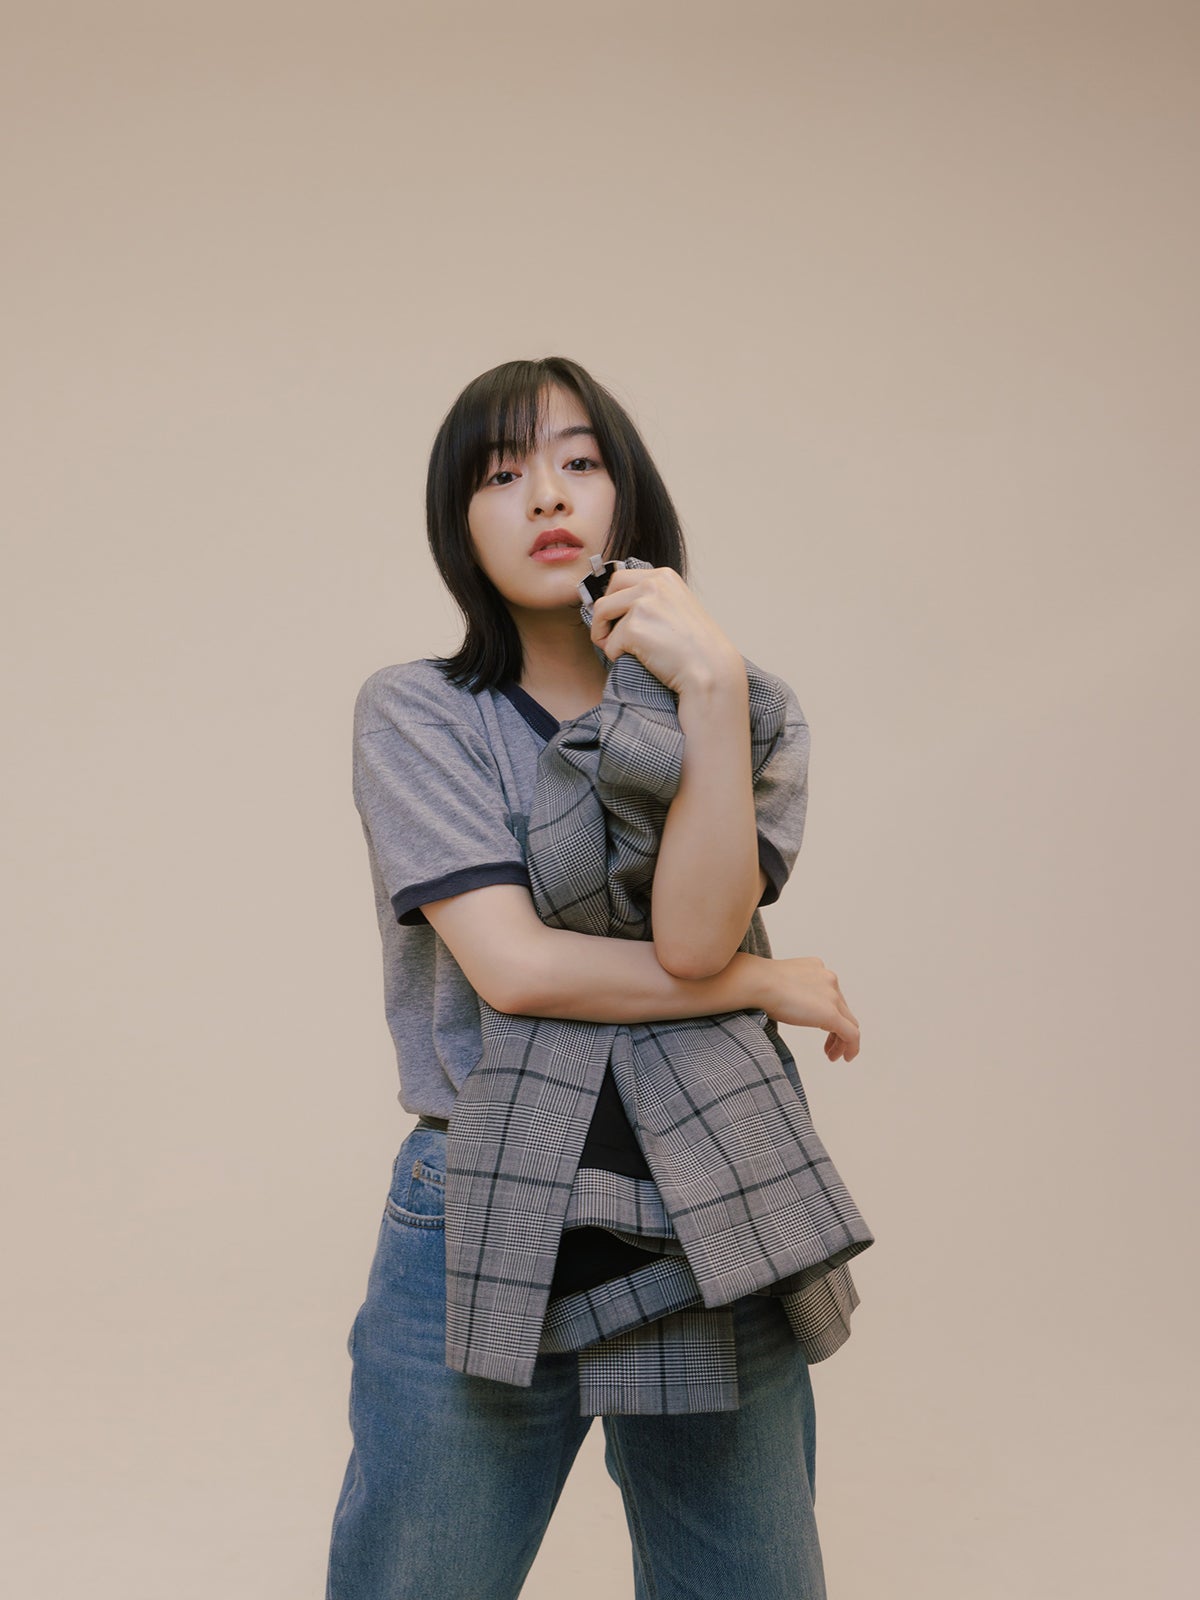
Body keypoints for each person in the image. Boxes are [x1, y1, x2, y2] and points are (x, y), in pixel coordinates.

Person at [325, 357, 871, 1600]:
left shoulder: (749, 708)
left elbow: (691, 938)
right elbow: (515, 968)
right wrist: (762, 985)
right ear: (458, 521)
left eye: (578, 461)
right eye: (500, 474)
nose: (544, 496)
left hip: (711, 1193)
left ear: (628, 492)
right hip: (487, 1195)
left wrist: (711, 689)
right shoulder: (421, 713)